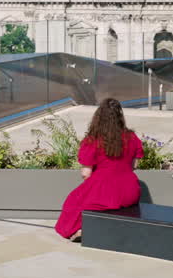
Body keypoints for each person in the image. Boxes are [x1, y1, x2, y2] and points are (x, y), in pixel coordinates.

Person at [55, 98, 144, 240]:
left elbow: (86, 173)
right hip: (130, 191)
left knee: (73, 201)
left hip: (104, 189)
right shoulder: (131, 137)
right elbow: (134, 166)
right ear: (120, 117)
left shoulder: (93, 140)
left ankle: (80, 230)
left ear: (98, 117)